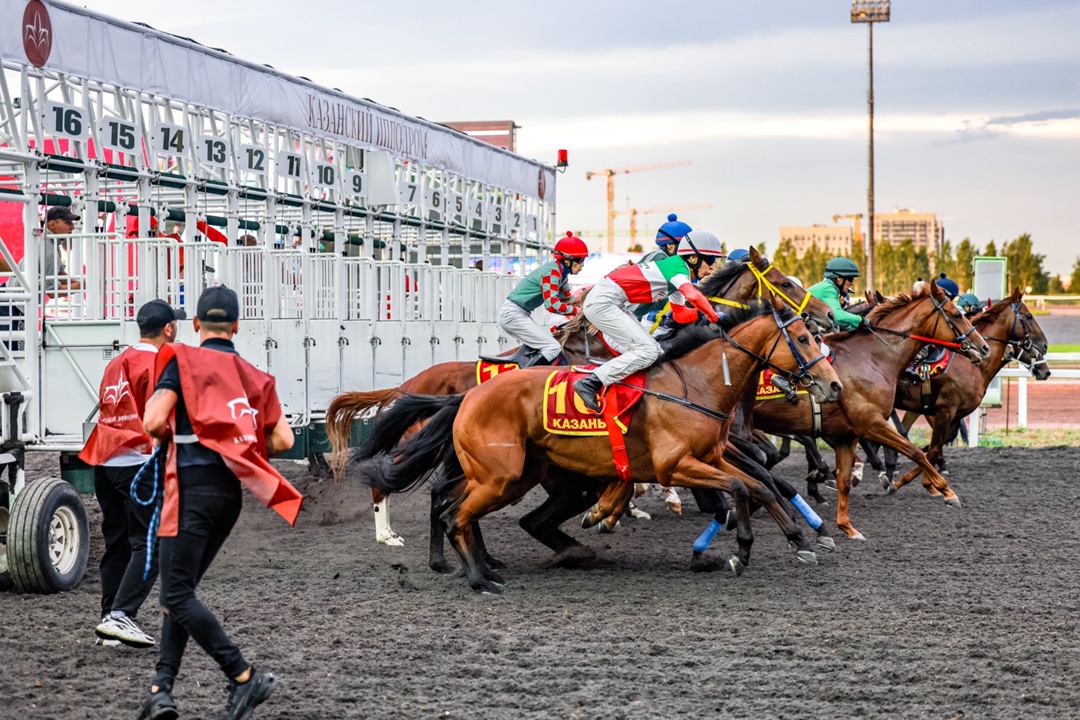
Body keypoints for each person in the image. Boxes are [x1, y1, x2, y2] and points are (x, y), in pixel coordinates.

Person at [139, 286, 302, 720]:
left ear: (194, 325)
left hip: (189, 487)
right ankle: (161, 689)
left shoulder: (181, 359)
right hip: (229, 495)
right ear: (236, 326)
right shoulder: (255, 376)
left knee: (174, 591)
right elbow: (283, 439)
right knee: (181, 592)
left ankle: (244, 676)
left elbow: (154, 420)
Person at [79, 300, 185, 649]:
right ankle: (121, 615)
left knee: (120, 543)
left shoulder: (116, 362)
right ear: (169, 328)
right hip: (137, 462)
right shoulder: (158, 362)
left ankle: (110, 619)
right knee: (152, 544)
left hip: (104, 461)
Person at [573, 230, 723, 412]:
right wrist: (714, 316)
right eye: (711, 260)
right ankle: (590, 383)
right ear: (693, 258)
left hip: (613, 302)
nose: (713, 267)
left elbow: (679, 314)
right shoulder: (678, 268)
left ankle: (629, 394)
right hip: (604, 301)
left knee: (657, 353)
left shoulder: (677, 277)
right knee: (648, 352)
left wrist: (701, 316)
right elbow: (693, 295)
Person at [496, 231, 588, 367]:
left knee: (551, 346)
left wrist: (588, 304)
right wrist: (578, 311)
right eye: (580, 261)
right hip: (513, 315)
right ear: (567, 260)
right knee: (553, 348)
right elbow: (552, 305)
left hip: (520, 314)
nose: (582, 265)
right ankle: (524, 379)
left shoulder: (562, 275)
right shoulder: (551, 272)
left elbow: (568, 299)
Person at [807, 257, 867, 331]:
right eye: (850, 278)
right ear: (839, 278)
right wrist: (860, 320)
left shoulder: (828, 287)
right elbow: (838, 316)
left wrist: (854, 326)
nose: (852, 283)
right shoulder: (828, 288)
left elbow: (837, 322)